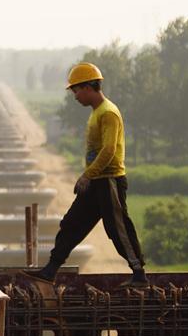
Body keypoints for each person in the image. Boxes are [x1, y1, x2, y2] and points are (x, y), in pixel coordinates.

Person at [30, 63, 148, 287]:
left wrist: (87, 175)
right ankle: (50, 270)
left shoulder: (109, 113)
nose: (75, 96)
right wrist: (90, 177)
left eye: (76, 91)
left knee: (118, 228)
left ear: (88, 87)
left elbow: (109, 150)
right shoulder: (96, 113)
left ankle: (139, 273)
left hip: (109, 180)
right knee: (72, 223)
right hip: (96, 181)